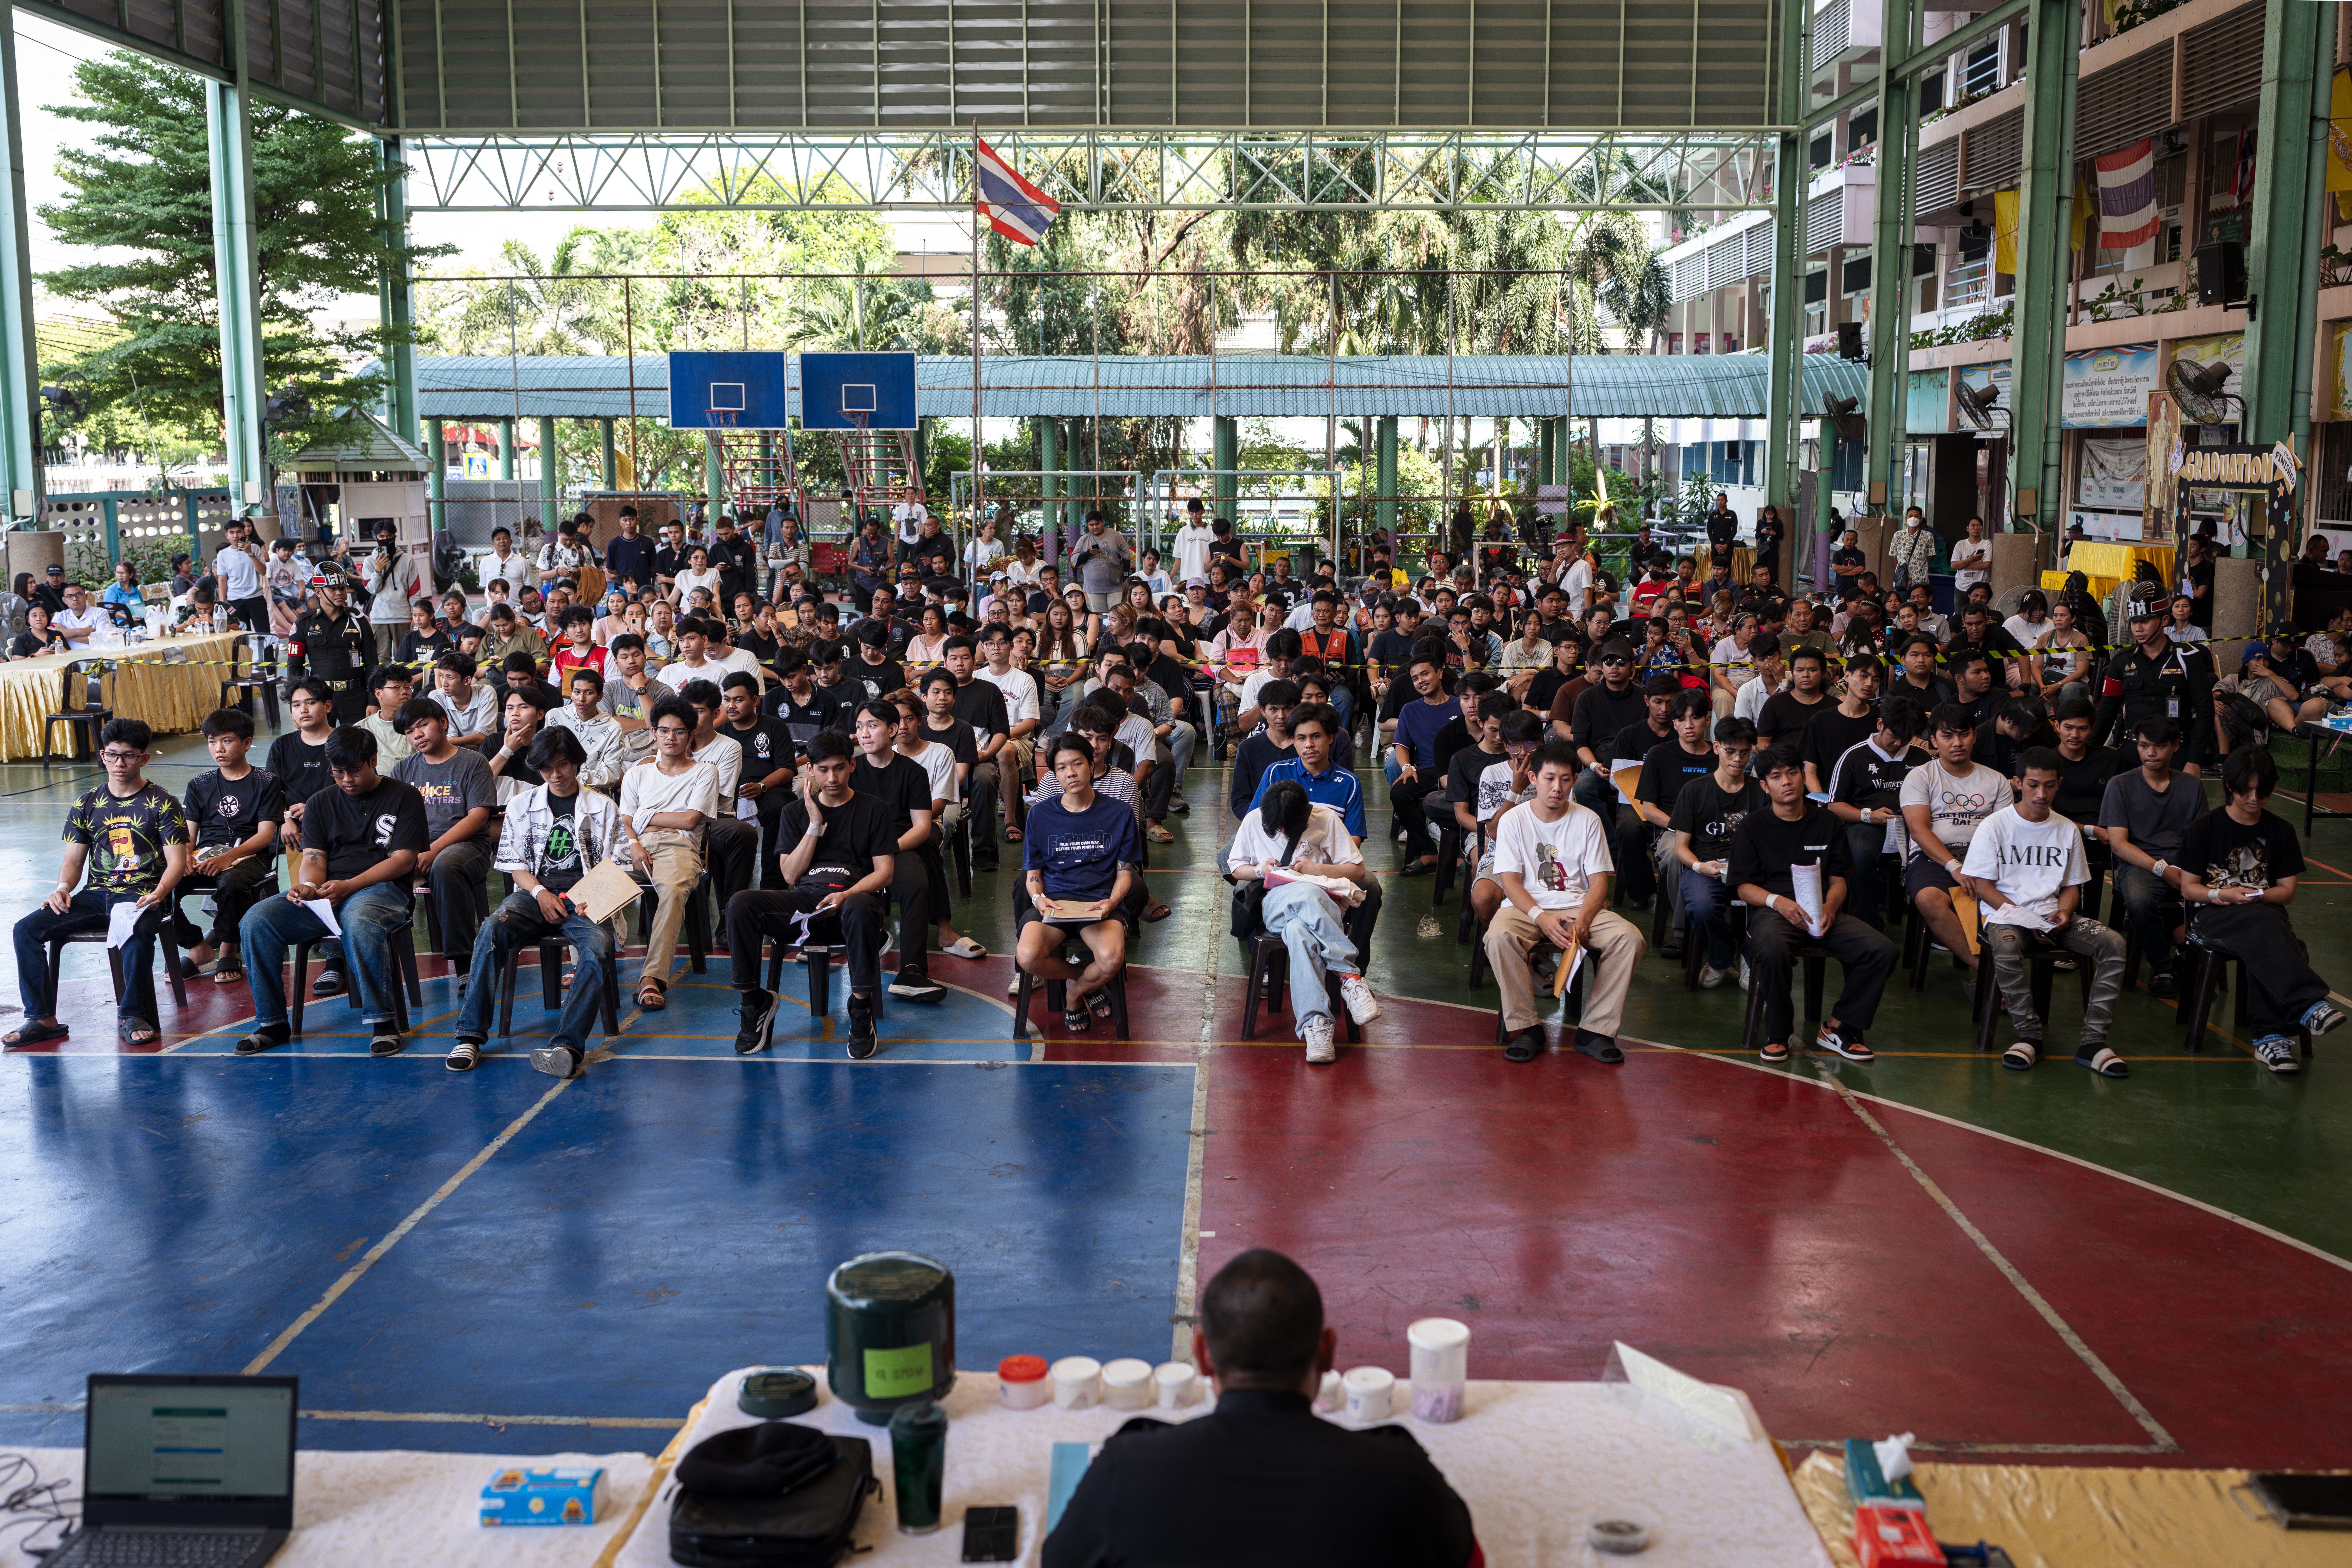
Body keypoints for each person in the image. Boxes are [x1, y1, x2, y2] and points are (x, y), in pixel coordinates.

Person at [1043, 1246, 1479, 1568]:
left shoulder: (1126, 1469)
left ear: (1203, 1355)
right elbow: (1470, 1560)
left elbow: (1058, 1560)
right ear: (1327, 1352)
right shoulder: (1401, 1474)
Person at [232, 727, 429, 1057]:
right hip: (329, 891)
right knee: (257, 920)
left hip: (383, 890)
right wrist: (308, 887)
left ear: (373, 761)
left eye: (355, 770)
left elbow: (404, 860)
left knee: (359, 916)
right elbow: (314, 858)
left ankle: (383, 1022)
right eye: (338, 773)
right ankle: (272, 1023)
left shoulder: (404, 796)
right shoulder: (321, 803)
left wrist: (351, 886)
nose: (347, 780)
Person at [442, 726, 624, 1077]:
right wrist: (541, 893)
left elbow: (617, 864)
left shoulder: (603, 807)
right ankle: (469, 1035)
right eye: (546, 769)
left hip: (587, 900)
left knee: (599, 946)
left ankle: (567, 1046)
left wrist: (588, 897)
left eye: (564, 765)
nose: (556, 775)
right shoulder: (521, 805)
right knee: (493, 929)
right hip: (532, 894)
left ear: (578, 763)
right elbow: (513, 864)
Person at [6, 719, 190, 1049]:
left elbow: (177, 862)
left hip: (141, 896)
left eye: (129, 756)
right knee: (26, 929)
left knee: (137, 930)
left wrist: (160, 893)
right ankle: (42, 1018)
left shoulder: (163, 802)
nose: (120, 764)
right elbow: (74, 862)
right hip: (96, 896)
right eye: (112, 755)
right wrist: (63, 887)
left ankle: (132, 1014)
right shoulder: (86, 803)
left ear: (144, 759)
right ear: (102, 755)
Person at [726, 729, 898, 1059]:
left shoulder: (875, 810)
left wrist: (847, 895)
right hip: (806, 905)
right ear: (811, 771)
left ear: (852, 766)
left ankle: (861, 1011)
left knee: (862, 904)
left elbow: (884, 873)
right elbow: (790, 875)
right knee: (741, 903)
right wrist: (814, 825)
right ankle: (754, 1003)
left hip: (854, 906)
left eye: (839, 768)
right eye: (823, 770)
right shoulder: (795, 813)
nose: (831, 778)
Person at [2173, 747, 2345, 1073]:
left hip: (2263, 912)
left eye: (2262, 792)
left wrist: (2255, 896)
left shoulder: (2280, 831)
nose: (2254, 798)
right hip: (2212, 914)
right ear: (2229, 787)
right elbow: (2188, 888)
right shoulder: (2205, 828)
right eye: (2246, 791)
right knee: (2266, 931)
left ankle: (2272, 1037)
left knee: (2261, 925)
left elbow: (2287, 893)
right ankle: (2299, 1011)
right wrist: (2223, 893)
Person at [1962, 746, 2131, 1076]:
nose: (2042, 794)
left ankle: (2093, 1042)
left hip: (2053, 917)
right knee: (2007, 947)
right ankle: (2030, 1036)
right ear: (2017, 783)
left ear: (2059, 784)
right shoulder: (1994, 827)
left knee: (2114, 943)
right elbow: (1983, 887)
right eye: (2033, 785)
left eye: (2050, 786)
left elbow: (2071, 888)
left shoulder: (2066, 829)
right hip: (2005, 917)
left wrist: (2065, 913)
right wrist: (2021, 916)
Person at [1728, 745, 1899, 1062]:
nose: (1787, 782)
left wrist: (1831, 909)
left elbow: (1838, 881)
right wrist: (1778, 903)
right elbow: (1743, 888)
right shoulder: (1752, 826)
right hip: (1775, 912)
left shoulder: (1827, 822)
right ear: (1765, 786)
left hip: (1822, 911)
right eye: (1777, 777)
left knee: (1882, 950)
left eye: (1792, 773)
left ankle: (1837, 1027)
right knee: (1772, 948)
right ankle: (1780, 1032)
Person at [1484, 740, 1646, 1065]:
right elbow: (1510, 882)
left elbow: (1600, 880)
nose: (1557, 788)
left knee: (1629, 939)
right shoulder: (1514, 820)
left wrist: (1585, 919)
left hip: (1578, 905)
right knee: (1498, 937)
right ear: (1533, 779)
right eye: (1549, 779)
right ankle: (1528, 1028)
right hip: (1525, 907)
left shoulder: (1588, 820)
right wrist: (1541, 917)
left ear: (1575, 780)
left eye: (1566, 780)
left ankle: (1595, 1031)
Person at [1228, 781, 1379, 1064]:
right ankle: (1349, 977)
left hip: (1322, 908)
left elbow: (1357, 870)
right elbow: (1236, 869)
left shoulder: (1324, 818)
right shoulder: (1252, 821)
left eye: (1288, 827)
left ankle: (1316, 1026)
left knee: (1299, 931)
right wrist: (1262, 870)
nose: (1283, 832)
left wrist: (1316, 868)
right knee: (1307, 893)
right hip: (1275, 904)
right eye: (1277, 828)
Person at [1019, 733, 1144, 1032]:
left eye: (1077, 764)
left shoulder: (1119, 813)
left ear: (1091, 764)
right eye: (1062, 768)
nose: (1070, 773)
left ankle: (1074, 995)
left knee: (1111, 959)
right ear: (1054, 774)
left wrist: (1112, 903)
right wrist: (1039, 899)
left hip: (1099, 903)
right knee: (1028, 956)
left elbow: (1125, 872)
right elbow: (1033, 874)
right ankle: (1083, 978)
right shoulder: (1039, 815)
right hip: (1054, 904)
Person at [617, 696, 720, 1012]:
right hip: (634, 845)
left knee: (673, 890)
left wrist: (644, 816)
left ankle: (652, 977)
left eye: (679, 732)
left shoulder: (704, 772)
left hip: (678, 846)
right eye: (664, 731)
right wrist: (634, 842)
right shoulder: (638, 773)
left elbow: (689, 820)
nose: (670, 738)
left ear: (691, 735)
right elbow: (624, 822)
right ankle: (590, 962)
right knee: (596, 885)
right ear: (654, 733)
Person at [171, 707, 283, 984]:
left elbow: (265, 836)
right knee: (159, 884)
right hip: (205, 855)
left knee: (232, 883)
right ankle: (197, 947)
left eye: (226, 741)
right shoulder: (200, 784)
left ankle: (229, 948)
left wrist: (228, 858)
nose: (218, 749)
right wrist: (185, 857)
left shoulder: (266, 783)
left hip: (250, 856)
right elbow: (189, 833)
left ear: (246, 743)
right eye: (212, 741)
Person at [1899, 704, 2013, 975]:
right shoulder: (1920, 777)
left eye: (1963, 735)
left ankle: (1994, 971)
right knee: (1930, 900)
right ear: (1934, 741)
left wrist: (1981, 867)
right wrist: (1954, 867)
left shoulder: (1997, 781)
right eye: (1947, 736)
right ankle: (1989, 973)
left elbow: (2004, 835)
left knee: (2009, 900)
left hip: (1984, 860)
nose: (1957, 743)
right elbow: (1919, 830)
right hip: (1932, 859)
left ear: (1974, 736)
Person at [1668, 717, 1763, 988]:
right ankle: (1724, 955)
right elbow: (1680, 848)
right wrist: (1700, 867)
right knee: (1702, 907)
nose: (1738, 759)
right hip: (1706, 869)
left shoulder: (1760, 792)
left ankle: (1749, 956)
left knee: (1765, 907)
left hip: (1749, 871)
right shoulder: (1695, 791)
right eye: (1730, 751)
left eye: (1744, 752)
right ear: (1717, 748)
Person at [2094, 587, 2214, 773]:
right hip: (2132, 754)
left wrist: (2195, 760)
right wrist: (2090, 753)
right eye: (2134, 622)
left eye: (2145, 621)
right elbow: (2107, 712)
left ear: (2164, 620)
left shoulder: (2189, 658)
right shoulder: (2121, 661)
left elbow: (2205, 711)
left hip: (2177, 755)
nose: (2138, 629)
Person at [1070, 510, 1132, 614]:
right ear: (1088, 526)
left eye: (1097, 524)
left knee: (1118, 616)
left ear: (1103, 522)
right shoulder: (1084, 540)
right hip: (1094, 589)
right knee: (1100, 618)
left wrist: (1126, 576)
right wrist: (1087, 554)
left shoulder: (1115, 535)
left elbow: (1127, 556)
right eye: (1091, 525)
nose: (1095, 527)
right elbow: (1075, 560)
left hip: (1116, 586)